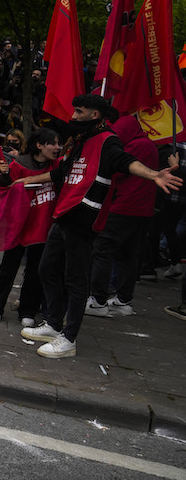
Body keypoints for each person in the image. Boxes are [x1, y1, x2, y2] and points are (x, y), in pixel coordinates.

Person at [15, 95, 182, 359]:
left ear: (94, 115)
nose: (74, 116)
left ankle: (68, 339)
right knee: (47, 267)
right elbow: (62, 173)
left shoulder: (108, 141)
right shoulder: (80, 141)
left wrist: (153, 175)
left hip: (84, 220)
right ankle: (53, 323)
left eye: (79, 111)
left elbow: (125, 162)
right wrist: (28, 181)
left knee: (76, 279)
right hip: (64, 215)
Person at [84, 115, 158, 317]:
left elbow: (116, 170)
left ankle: (98, 300)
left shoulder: (135, 146)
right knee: (129, 255)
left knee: (103, 250)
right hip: (143, 210)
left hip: (123, 207)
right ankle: (124, 300)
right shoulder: (148, 145)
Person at [0, 128, 61, 325]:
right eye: (52, 143)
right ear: (39, 145)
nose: (57, 147)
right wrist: (4, 175)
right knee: (8, 267)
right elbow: (6, 188)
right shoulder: (20, 164)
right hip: (18, 225)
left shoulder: (57, 167)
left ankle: (28, 310)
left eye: (58, 143)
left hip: (43, 227)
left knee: (36, 270)